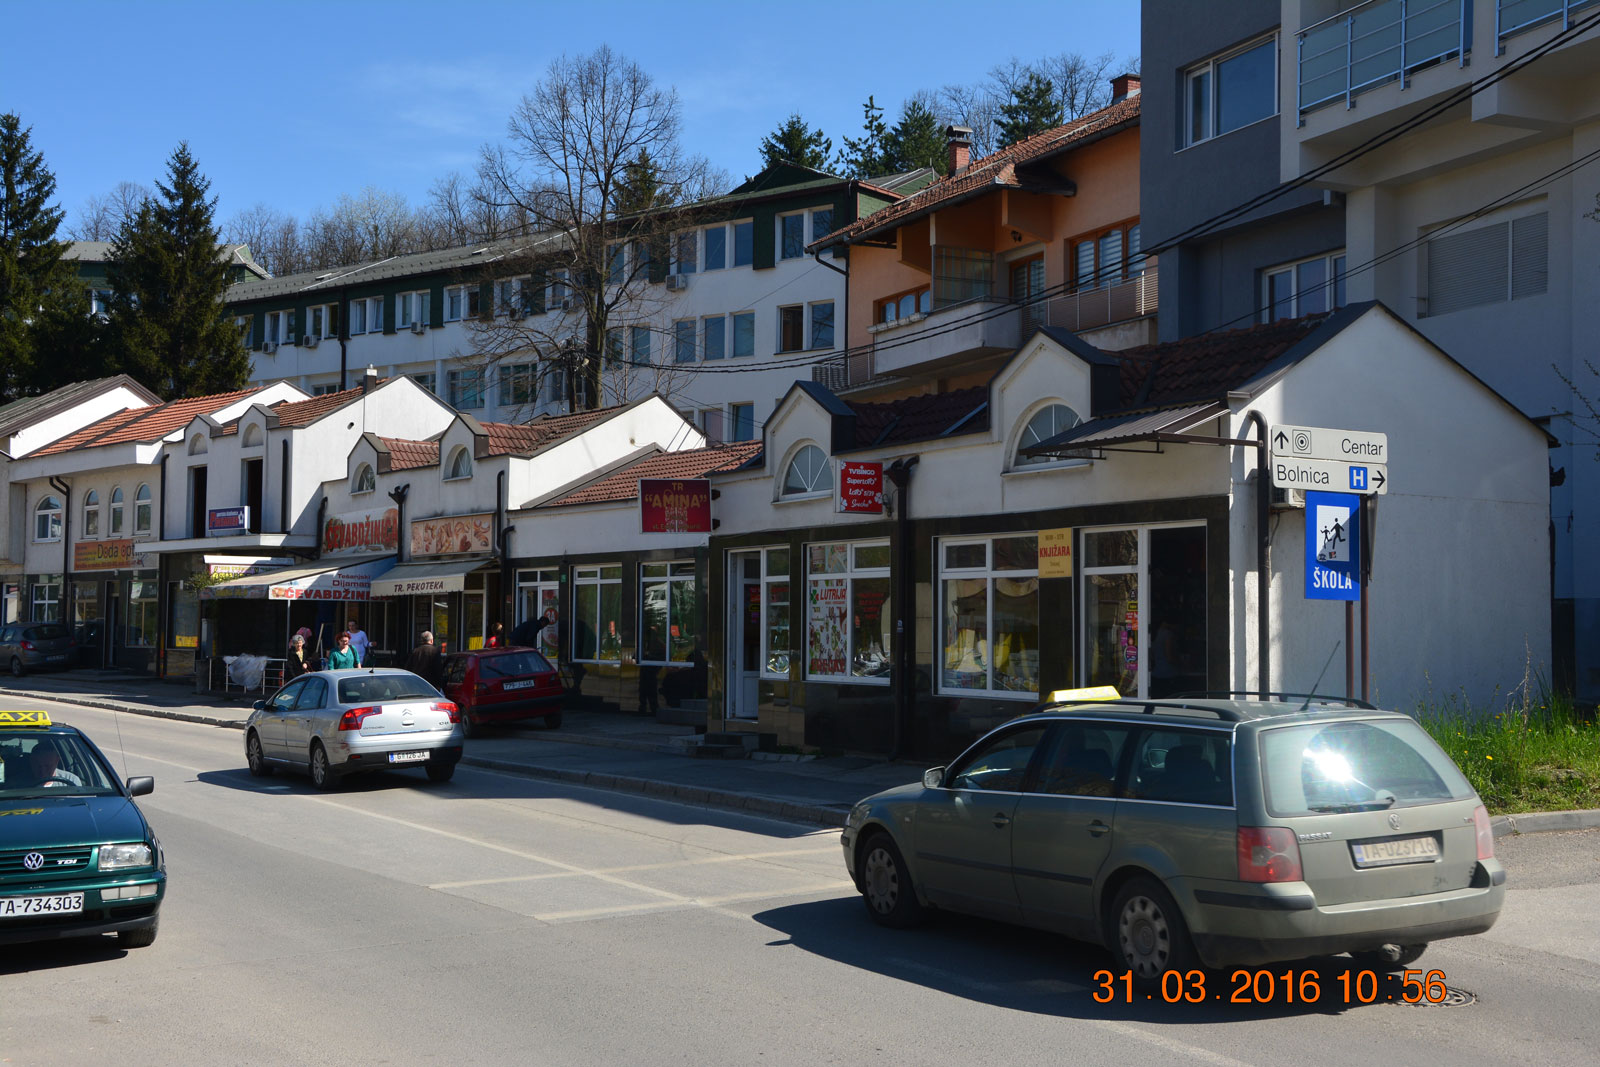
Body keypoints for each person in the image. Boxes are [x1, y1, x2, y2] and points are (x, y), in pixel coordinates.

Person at [17, 739, 83, 788]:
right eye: (38, 766)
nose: (42, 771)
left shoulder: (71, 781)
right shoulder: (18, 784)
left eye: (47, 766)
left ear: (57, 761)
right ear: (31, 761)